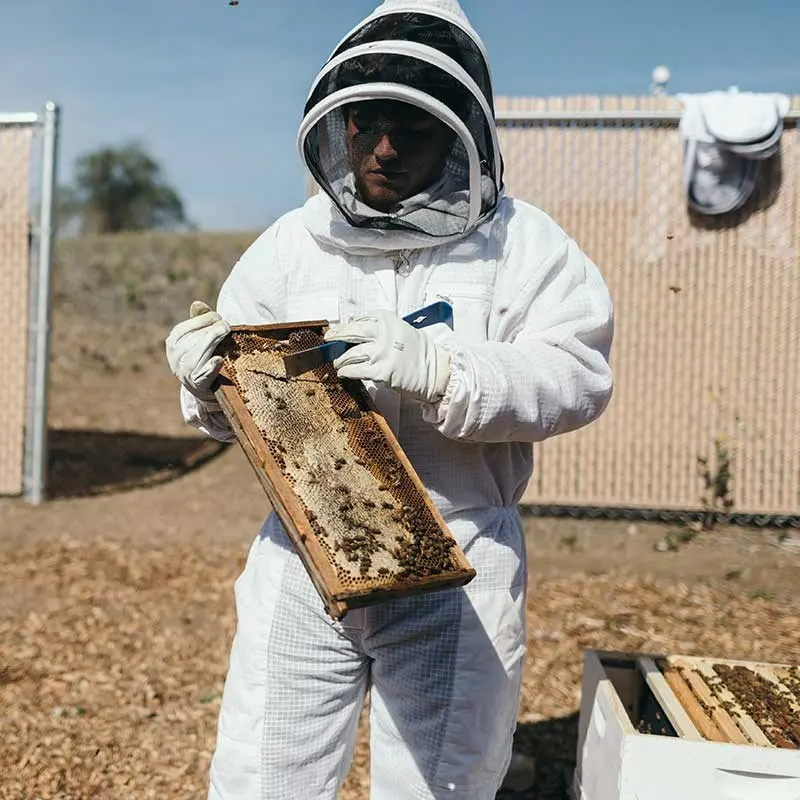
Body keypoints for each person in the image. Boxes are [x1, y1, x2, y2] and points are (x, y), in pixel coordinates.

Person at [165, 1, 614, 798]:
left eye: (409, 129)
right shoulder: (292, 245)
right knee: (262, 776)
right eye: (366, 124)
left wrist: (447, 371)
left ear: (460, 134)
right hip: (302, 554)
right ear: (336, 126)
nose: (382, 149)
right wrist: (205, 380)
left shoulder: (525, 245)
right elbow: (240, 406)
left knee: (441, 783)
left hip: (459, 553)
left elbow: (576, 375)